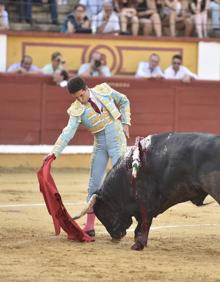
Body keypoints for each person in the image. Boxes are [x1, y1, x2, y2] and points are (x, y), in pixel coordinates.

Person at [46, 76, 131, 237]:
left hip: (116, 138)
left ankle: (120, 223)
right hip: (99, 144)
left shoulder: (103, 90)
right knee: (93, 185)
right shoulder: (76, 109)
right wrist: (54, 153)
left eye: (81, 95)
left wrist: (126, 123)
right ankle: (89, 225)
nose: (80, 99)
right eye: (76, 97)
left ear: (86, 88)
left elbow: (124, 100)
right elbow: (68, 132)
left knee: (121, 181)